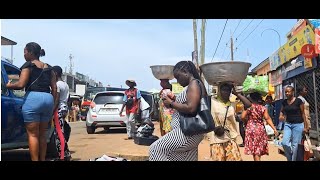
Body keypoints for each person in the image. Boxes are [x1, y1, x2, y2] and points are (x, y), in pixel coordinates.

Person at [6, 42, 57, 161]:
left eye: (25, 52)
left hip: (33, 98)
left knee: (33, 134)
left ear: (30, 52)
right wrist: (53, 104)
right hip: (48, 98)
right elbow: (54, 88)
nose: (24, 54)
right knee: (43, 134)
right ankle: (42, 159)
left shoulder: (28, 65)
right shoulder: (49, 68)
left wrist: (8, 86)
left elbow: (21, 84)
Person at [149, 61, 207, 161]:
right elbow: (189, 104)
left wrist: (171, 103)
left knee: (155, 149)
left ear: (185, 72)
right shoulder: (196, 84)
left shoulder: (193, 84)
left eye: (178, 77)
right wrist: (174, 101)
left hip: (186, 133)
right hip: (192, 133)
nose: (178, 81)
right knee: (186, 158)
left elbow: (191, 108)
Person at [209, 83, 251, 161]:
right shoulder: (212, 101)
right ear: (219, 91)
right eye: (223, 90)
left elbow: (248, 105)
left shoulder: (232, 104)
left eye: (228, 90)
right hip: (216, 139)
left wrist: (237, 94)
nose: (226, 92)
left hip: (230, 138)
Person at [241, 92, 279, 161]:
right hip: (260, 129)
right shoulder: (262, 108)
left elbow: (243, 117)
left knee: (254, 150)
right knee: (257, 150)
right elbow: (267, 118)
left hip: (250, 128)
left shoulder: (248, 107)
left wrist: (246, 122)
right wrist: (274, 129)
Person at [279, 86, 308, 161]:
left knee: (295, 145)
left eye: (288, 91)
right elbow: (281, 111)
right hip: (288, 124)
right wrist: (281, 116)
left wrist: (305, 126)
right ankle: (290, 158)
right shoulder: (284, 102)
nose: (287, 93)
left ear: (293, 92)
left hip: (298, 124)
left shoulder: (298, 101)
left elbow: (303, 114)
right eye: (286, 92)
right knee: (284, 143)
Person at [52, 66, 72, 161]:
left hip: (58, 109)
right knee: (61, 132)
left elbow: (56, 98)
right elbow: (68, 99)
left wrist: (53, 110)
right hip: (64, 109)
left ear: (55, 73)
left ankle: (62, 156)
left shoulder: (57, 85)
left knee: (59, 134)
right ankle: (66, 154)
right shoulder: (66, 84)